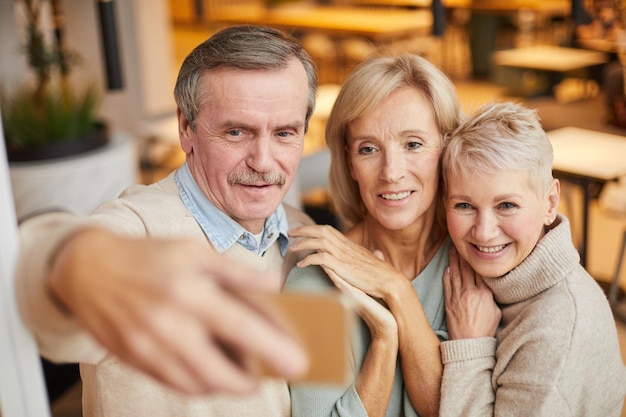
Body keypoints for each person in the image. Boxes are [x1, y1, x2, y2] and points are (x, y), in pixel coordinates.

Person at [15, 25, 319, 417]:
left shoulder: (301, 232)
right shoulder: (137, 231)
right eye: (236, 131)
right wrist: (79, 261)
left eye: (284, 133)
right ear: (186, 128)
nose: (263, 161)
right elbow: (38, 278)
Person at [284, 53, 465, 417]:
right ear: (349, 161)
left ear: (447, 147)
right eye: (368, 149)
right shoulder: (311, 284)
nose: (391, 172)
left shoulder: (476, 256)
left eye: (413, 144)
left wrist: (397, 290)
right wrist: (385, 338)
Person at [439, 101, 626, 416]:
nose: (483, 232)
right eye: (464, 206)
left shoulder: (556, 333)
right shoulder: (485, 272)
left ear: (550, 203)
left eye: (507, 205)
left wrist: (470, 348)